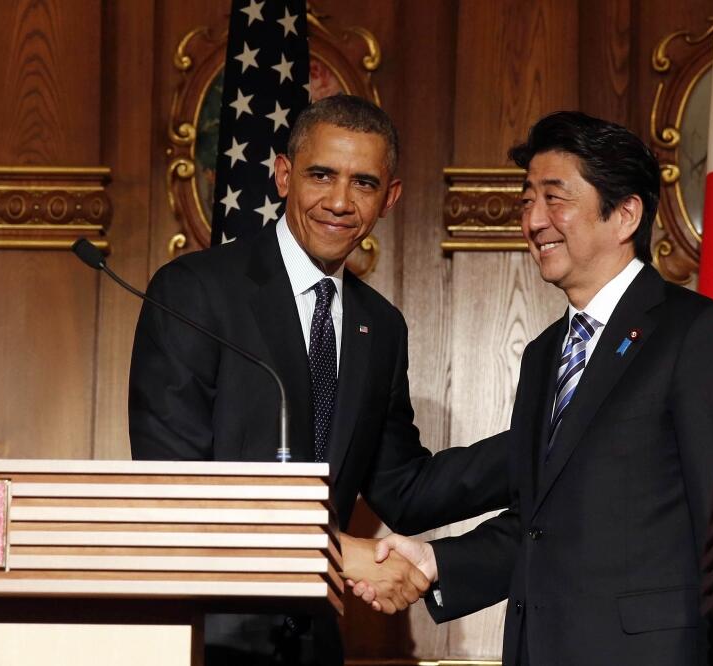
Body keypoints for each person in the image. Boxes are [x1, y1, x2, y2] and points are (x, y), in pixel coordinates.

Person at [359, 111, 713, 665]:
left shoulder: (698, 335)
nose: (534, 220)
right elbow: (543, 523)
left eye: (555, 198)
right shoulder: (545, 354)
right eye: (527, 200)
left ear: (625, 214)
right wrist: (437, 562)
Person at [129, 94, 509, 665]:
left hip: (314, 641)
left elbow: (403, 488)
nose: (339, 201)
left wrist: (537, 447)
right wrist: (329, 551)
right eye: (321, 175)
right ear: (284, 175)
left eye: (363, 183)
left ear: (390, 198)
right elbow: (175, 489)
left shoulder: (380, 325)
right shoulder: (196, 292)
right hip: (205, 634)